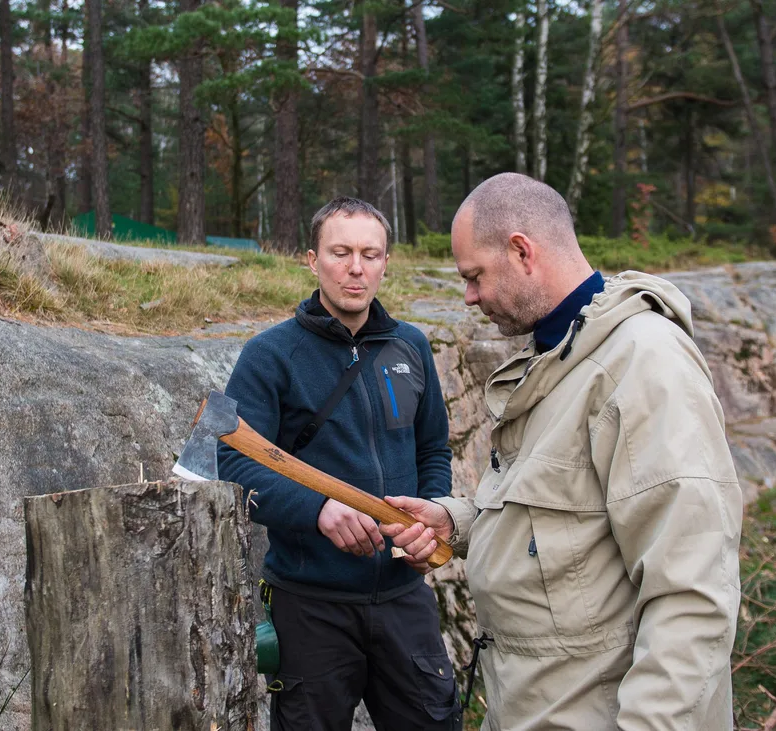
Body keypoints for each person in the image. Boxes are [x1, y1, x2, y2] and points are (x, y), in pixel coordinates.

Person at [381, 173, 743, 730]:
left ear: (522, 251)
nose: (469, 297)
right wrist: (455, 523)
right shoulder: (554, 358)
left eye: (475, 276)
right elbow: (563, 528)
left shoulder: (643, 367)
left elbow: (692, 597)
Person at [218, 197, 463, 731]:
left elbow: (432, 451)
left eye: (370, 254)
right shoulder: (270, 355)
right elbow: (231, 464)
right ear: (312, 259)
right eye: (341, 252)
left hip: (404, 598)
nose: (356, 268)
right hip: (311, 606)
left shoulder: (411, 347)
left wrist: (432, 512)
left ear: (385, 263)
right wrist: (316, 510)